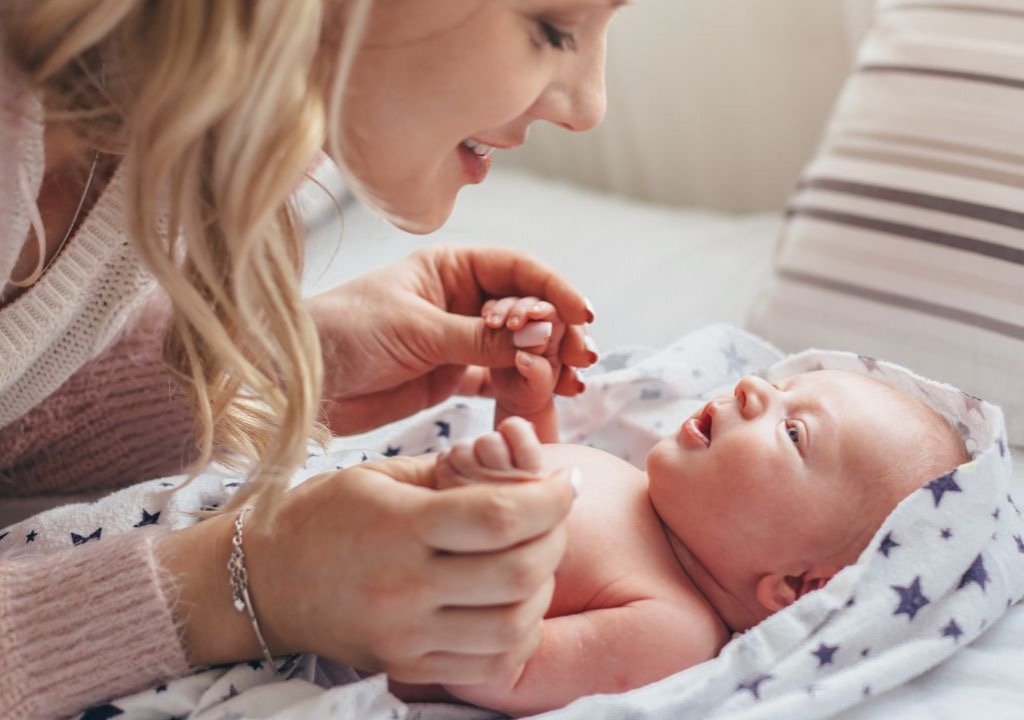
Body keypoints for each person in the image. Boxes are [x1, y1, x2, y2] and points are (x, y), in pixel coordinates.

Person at [0, 1, 629, 716]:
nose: (589, 107)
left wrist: (271, 359)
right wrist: (243, 587)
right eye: (551, 26)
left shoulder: (175, 118)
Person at [388, 301, 970, 716]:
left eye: (793, 432)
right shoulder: (638, 490)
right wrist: (523, 409)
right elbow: (542, 475)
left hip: (360, 600)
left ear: (795, 585)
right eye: (783, 389)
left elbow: (506, 671)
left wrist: (483, 550)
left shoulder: (675, 629)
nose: (753, 389)